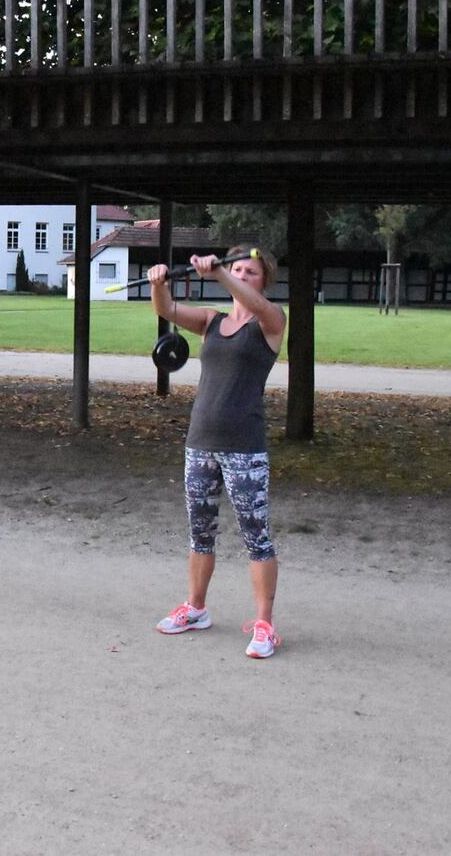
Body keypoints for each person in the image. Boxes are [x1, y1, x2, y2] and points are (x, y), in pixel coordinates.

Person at [148, 247, 287, 658]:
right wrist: (159, 283)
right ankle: (195, 608)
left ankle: (264, 625)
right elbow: (169, 309)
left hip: (245, 448)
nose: (244, 276)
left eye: (252, 272)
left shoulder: (270, 321)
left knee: (256, 538)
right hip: (201, 444)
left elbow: (253, 303)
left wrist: (222, 273)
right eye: (239, 269)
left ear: (264, 281)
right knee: (200, 533)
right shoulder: (213, 322)